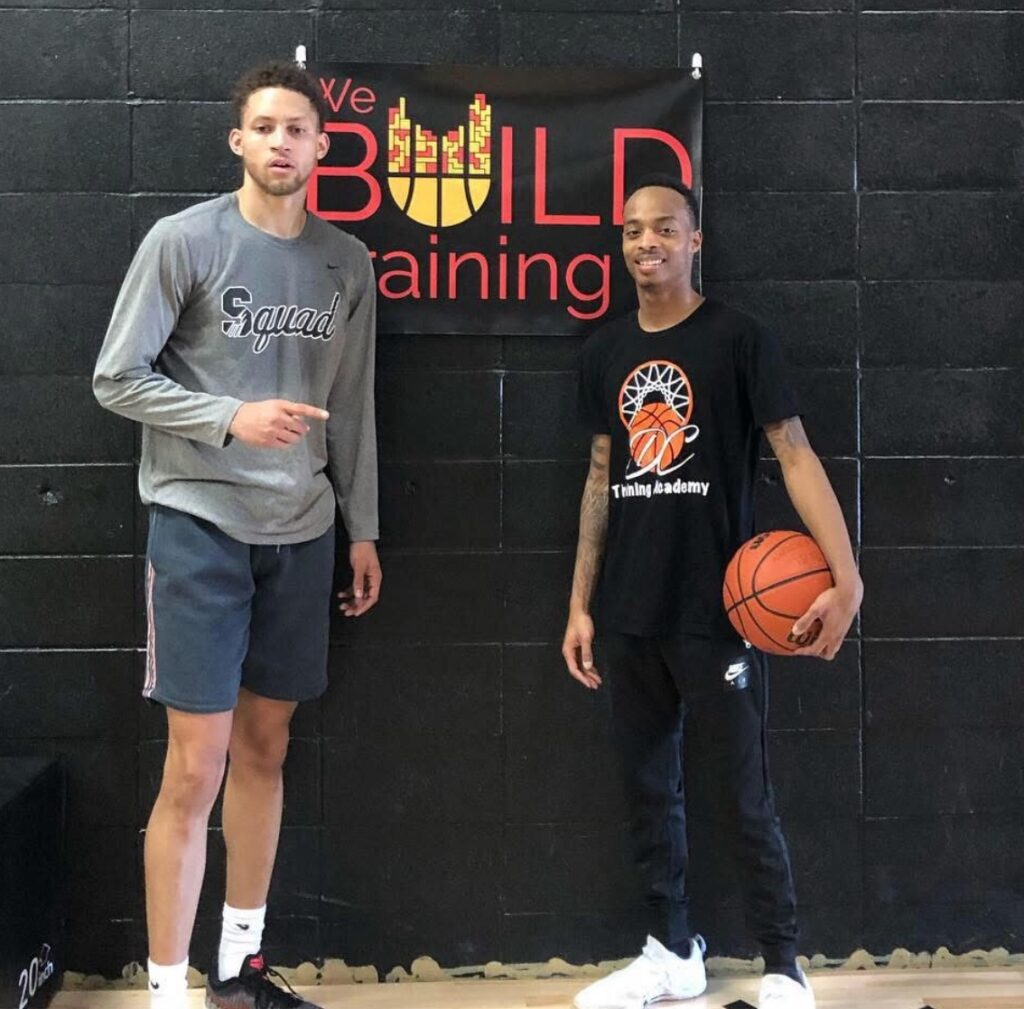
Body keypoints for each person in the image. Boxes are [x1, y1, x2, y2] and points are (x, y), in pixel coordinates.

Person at [93, 61, 381, 1009]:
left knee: (266, 750)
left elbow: (352, 407)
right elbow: (116, 378)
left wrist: (361, 526)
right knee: (197, 763)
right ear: (239, 141)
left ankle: (240, 966)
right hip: (201, 527)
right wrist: (229, 417)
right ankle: (167, 989)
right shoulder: (184, 242)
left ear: (321, 146)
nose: (281, 143)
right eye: (264, 127)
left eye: (297, 129)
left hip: (301, 532)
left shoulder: (346, 262)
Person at [562, 175, 862, 1009]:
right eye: (632, 231)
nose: (646, 242)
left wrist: (848, 576)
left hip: (720, 608)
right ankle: (671, 951)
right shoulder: (604, 351)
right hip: (628, 609)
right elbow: (598, 478)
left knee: (741, 788)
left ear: (696, 241)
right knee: (647, 787)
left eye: (664, 229)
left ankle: (782, 960)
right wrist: (580, 602)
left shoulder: (740, 339)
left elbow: (795, 455)